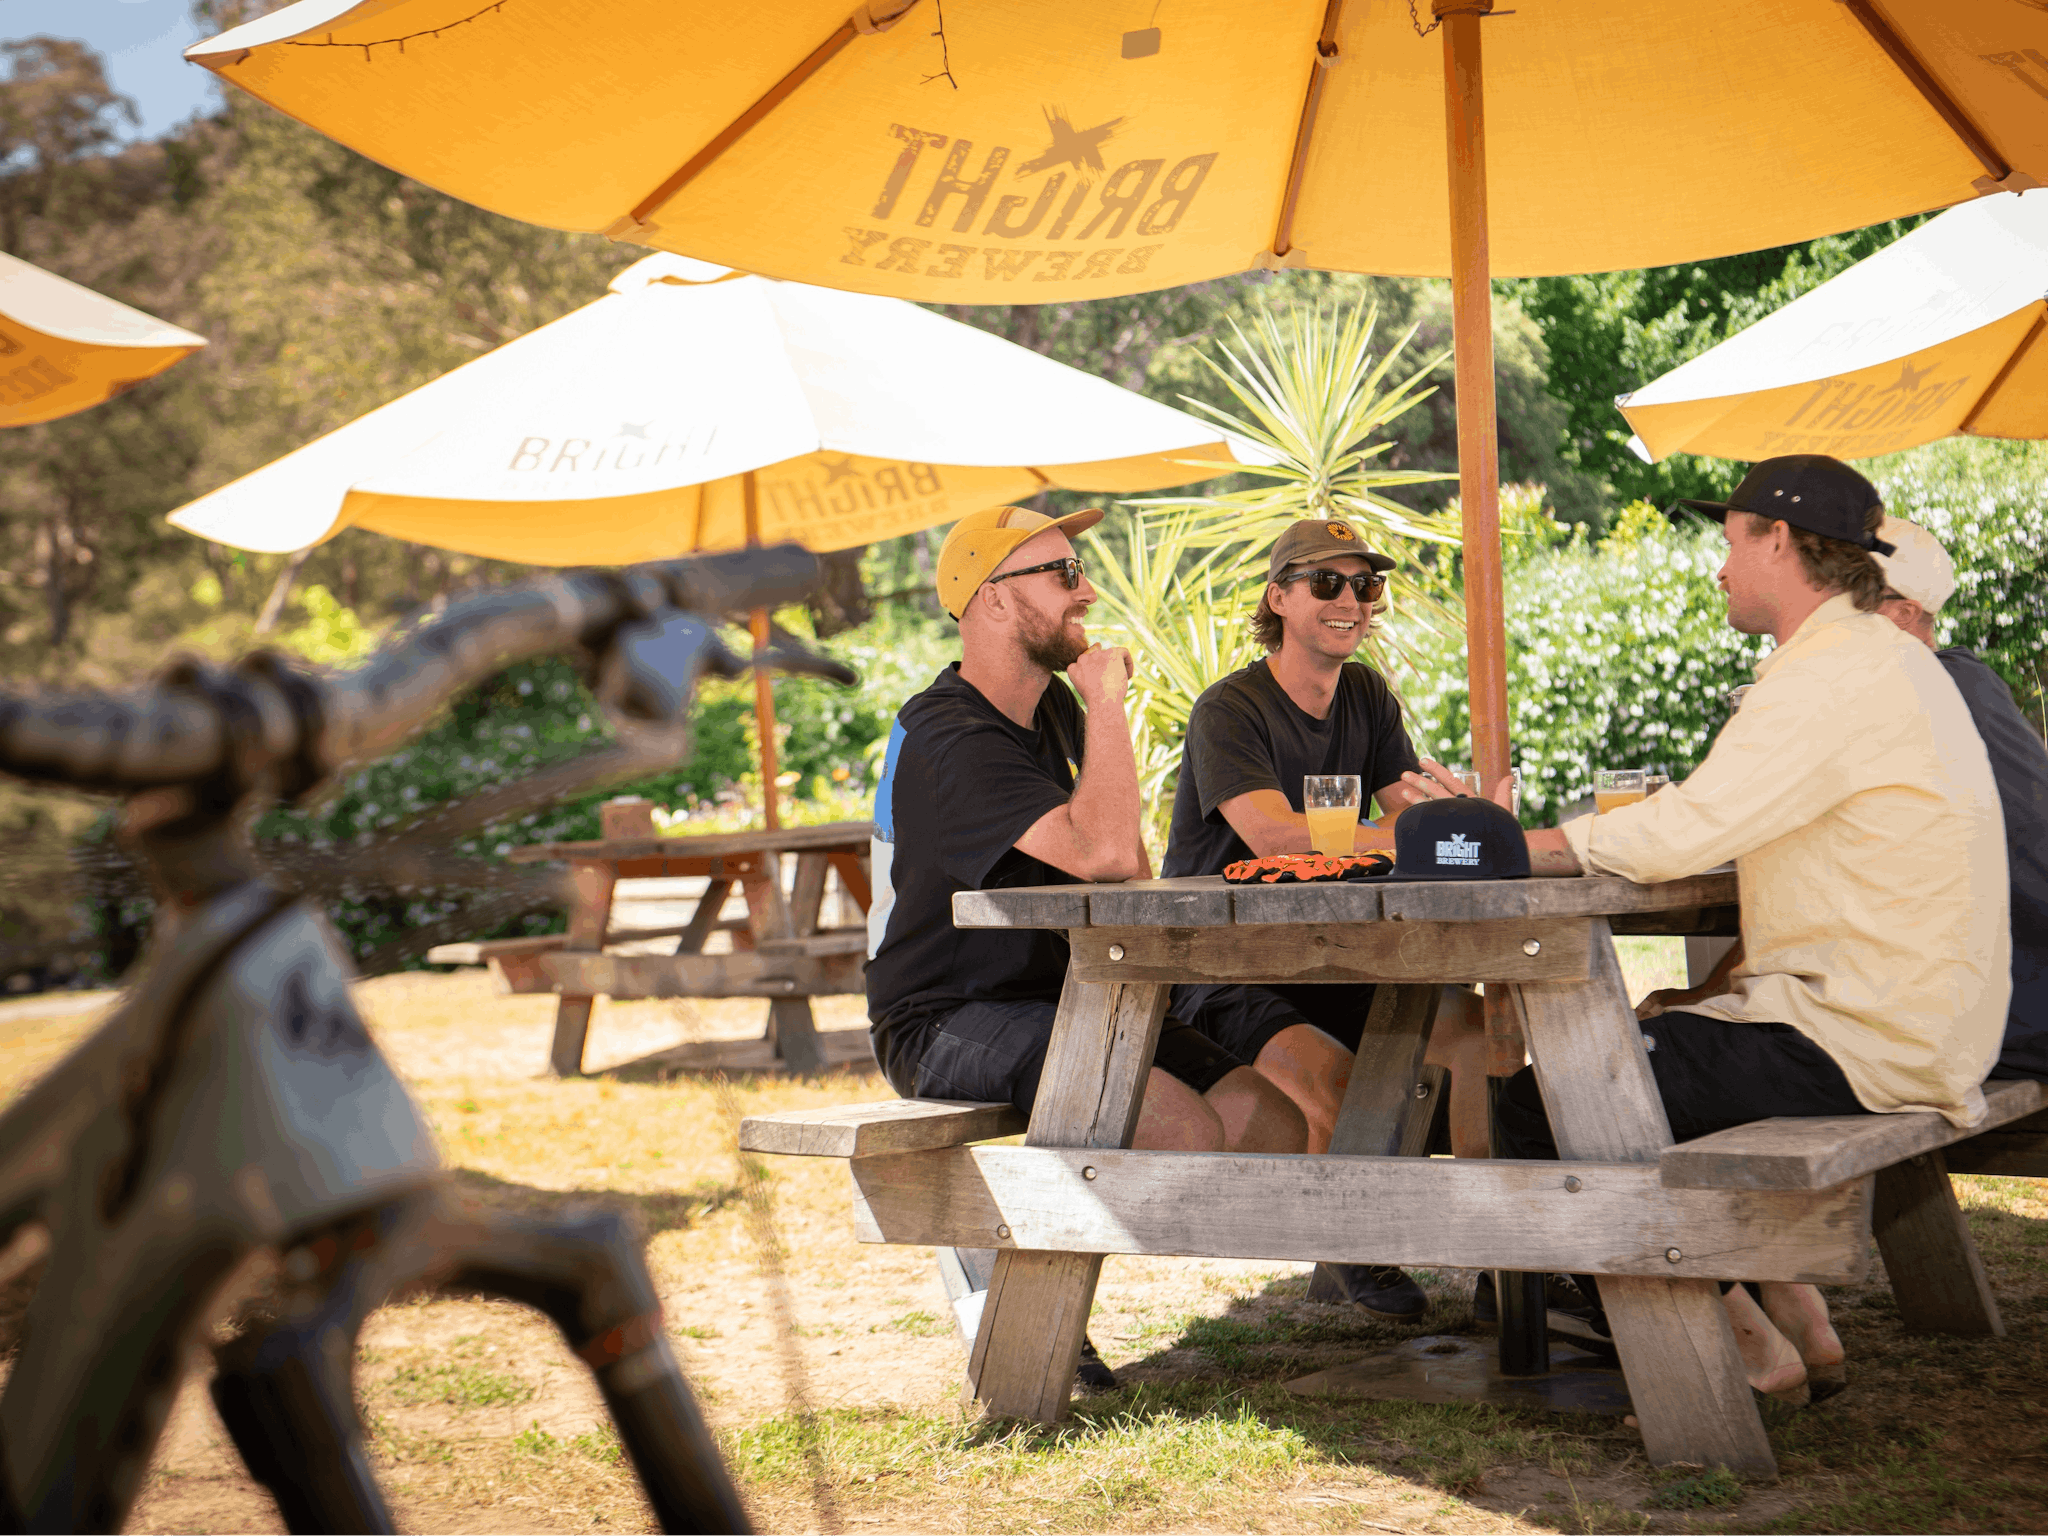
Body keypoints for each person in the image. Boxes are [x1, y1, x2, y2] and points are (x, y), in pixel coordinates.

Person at [1403, 455, 2011, 1402]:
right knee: (1651, 1046)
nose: (1720, 567)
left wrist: (1522, 844)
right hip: (1919, 1027)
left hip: (1864, 1042)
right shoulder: (1883, 661)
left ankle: (1732, 1347)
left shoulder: (1829, 677)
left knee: (1556, 1097)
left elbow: (1686, 829)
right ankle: (1800, 1322)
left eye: (1731, 542)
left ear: (1780, 540)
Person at [866, 504, 1312, 1387]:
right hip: (943, 1019)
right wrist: (1111, 698)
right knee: (1183, 1135)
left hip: (1055, 999)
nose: (1089, 590)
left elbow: (1120, 862)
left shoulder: (1054, 711)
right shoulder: (946, 732)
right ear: (992, 601)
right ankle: (997, 1264)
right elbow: (1109, 853)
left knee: (1275, 1122)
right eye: (1064, 575)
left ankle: (1018, 1250)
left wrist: (1091, 708)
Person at [1160, 516, 1492, 1322]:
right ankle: (1353, 1251)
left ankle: (1509, 1265)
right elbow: (1272, 836)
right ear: (1280, 598)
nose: (1351, 599)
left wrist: (1452, 813)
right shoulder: (1228, 710)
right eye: (1327, 583)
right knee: (1343, 1085)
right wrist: (1404, 832)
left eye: (1366, 585)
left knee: (1484, 1045)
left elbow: (1401, 816)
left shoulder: (1368, 696)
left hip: (1337, 951)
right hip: (1223, 964)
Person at [1648, 515, 2047, 1084]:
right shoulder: (1967, 683)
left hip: (2000, 1027)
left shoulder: (1890, 700)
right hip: (1995, 1014)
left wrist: (1702, 998)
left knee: (1608, 1081)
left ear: (1904, 616)